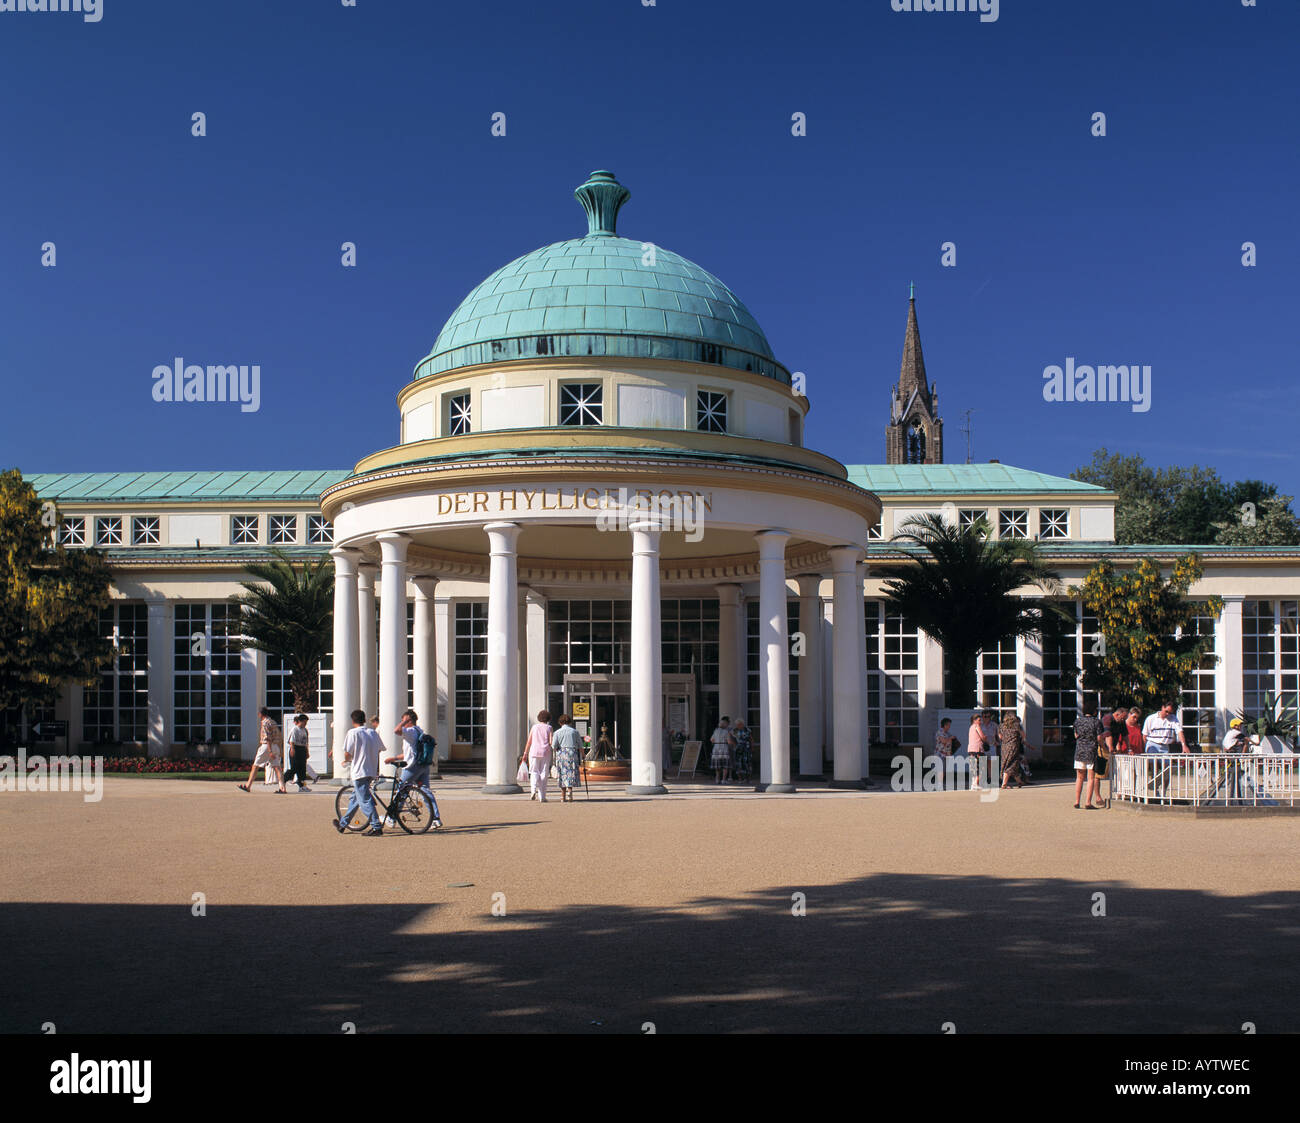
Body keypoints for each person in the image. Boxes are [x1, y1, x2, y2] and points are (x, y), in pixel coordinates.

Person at [384, 709, 441, 829]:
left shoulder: (410, 731)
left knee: (401, 791)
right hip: (423, 766)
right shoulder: (419, 730)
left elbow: (396, 730)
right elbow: (410, 752)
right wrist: (394, 758)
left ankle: (391, 818)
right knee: (426, 791)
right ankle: (435, 818)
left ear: (409, 720)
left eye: (403, 719)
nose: (402, 721)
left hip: (412, 767)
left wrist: (404, 722)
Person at [333, 709, 384, 835]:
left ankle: (376, 826)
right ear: (364, 719)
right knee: (356, 798)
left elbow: (347, 752)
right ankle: (343, 823)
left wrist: (346, 760)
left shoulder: (352, 733)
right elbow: (380, 749)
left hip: (359, 771)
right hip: (371, 769)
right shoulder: (372, 732)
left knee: (364, 800)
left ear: (352, 721)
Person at [1142, 701, 1191, 797]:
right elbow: (1144, 735)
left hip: (1165, 746)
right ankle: (1156, 791)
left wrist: (1184, 745)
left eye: (1170, 712)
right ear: (1162, 707)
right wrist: (1145, 749)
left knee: (1168, 770)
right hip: (1152, 744)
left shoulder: (1173, 719)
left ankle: (1164, 792)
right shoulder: (1151, 718)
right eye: (1166, 711)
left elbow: (1179, 732)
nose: (1168, 714)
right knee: (1154, 766)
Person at [239, 706, 284, 793]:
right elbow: (279, 736)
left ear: (260, 714)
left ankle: (248, 786)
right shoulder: (273, 722)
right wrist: (278, 749)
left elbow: (268, 738)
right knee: (277, 767)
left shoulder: (265, 723)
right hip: (275, 746)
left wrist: (270, 750)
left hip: (267, 747)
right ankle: (282, 787)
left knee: (255, 766)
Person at [1072, 700, 1105, 809]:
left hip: (1079, 751)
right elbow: (1099, 737)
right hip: (1091, 750)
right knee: (1090, 778)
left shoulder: (1077, 721)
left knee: (1079, 777)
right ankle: (1088, 802)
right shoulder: (1096, 722)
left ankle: (1077, 801)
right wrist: (1104, 747)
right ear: (1094, 711)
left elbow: (1076, 735)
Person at [521, 710, 553, 802]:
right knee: (544, 773)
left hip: (534, 752)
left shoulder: (534, 727)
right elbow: (551, 742)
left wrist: (525, 753)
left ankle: (533, 790)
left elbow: (529, 741)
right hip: (545, 752)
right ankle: (542, 796)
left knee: (534, 771)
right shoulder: (549, 728)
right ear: (548, 718)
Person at [553, 714, 584, 802]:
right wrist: (583, 754)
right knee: (571, 772)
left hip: (562, 753)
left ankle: (563, 796)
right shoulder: (574, 732)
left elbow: (554, 746)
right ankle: (570, 791)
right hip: (572, 753)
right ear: (570, 722)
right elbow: (580, 745)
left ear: (560, 722)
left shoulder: (557, 732)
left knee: (562, 773)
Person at [282, 713, 311, 792]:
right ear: (300, 721)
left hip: (302, 749)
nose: (305, 724)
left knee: (302, 769)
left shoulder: (305, 730)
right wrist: (292, 749)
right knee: (294, 768)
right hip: (295, 749)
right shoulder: (295, 729)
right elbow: (291, 741)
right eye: (304, 722)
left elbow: (306, 742)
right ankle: (283, 780)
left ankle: (302, 786)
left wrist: (307, 752)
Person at [999, 712, 1027, 789]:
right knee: (1011, 764)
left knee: (1010, 763)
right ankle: (1004, 784)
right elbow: (1023, 735)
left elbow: (1000, 736)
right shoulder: (1016, 725)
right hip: (1014, 746)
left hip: (1004, 747)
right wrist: (1021, 739)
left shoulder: (1001, 726)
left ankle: (1019, 781)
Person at [710, 716, 733, 784]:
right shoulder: (726, 732)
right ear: (725, 725)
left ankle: (717, 779)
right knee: (725, 766)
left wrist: (717, 741)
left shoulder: (715, 731)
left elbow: (711, 740)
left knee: (717, 765)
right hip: (724, 748)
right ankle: (723, 780)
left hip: (716, 749)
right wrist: (732, 743)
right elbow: (729, 741)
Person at [732, 718, 753, 784]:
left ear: (742, 724)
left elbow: (751, 739)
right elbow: (731, 738)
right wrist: (734, 745)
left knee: (747, 763)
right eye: (737, 724)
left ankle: (748, 779)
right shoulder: (734, 730)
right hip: (738, 748)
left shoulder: (747, 730)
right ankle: (740, 779)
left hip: (746, 748)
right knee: (738, 763)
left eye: (739, 724)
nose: (738, 726)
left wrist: (752, 747)